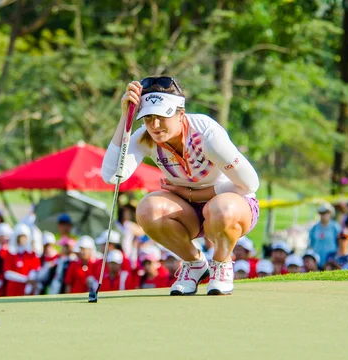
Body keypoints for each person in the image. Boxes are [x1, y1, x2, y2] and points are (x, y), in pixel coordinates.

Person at [101, 77, 259, 296]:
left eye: (162, 117)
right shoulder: (145, 138)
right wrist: (124, 118)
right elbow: (111, 176)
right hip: (188, 213)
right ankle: (195, 265)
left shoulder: (207, 135)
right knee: (148, 209)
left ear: (180, 113)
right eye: (148, 118)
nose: (154, 126)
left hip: (232, 207)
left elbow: (250, 183)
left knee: (222, 209)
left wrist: (191, 193)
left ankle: (222, 263)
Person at [4, 224, 40, 296]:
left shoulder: (32, 255)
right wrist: (25, 280)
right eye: (20, 237)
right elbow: (7, 274)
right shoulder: (10, 254)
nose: (22, 239)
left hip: (27, 292)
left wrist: (27, 290)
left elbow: (34, 272)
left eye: (24, 237)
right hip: (13, 291)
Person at [308, 203, 341, 268]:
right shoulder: (315, 228)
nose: (324, 215)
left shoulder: (335, 227)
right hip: (317, 261)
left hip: (331, 261)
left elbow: (339, 243)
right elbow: (311, 243)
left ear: (330, 213)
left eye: (326, 212)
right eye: (322, 213)